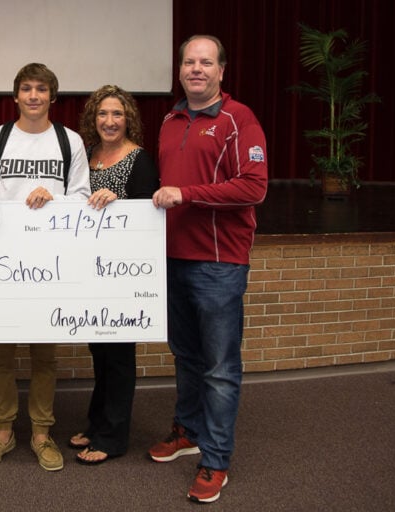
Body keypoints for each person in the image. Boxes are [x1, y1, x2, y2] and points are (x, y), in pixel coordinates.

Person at [150, 35, 268, 503]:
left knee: (220, 368)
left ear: (222, 71)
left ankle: (215, 460)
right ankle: (189, 432)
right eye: (189, 62)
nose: (196, 69)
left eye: (206, 62)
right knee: (186, 355)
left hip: (218, 263)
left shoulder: (239, 120)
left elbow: (254, 187)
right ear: (179, 69)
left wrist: (189, 193)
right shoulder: (169, 119)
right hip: (173, 259)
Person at [0, 63, 91, 472]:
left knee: (44, 356)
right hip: (1, 261)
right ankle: (2, 432)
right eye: (27, 88)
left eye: (42, 89)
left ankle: (41, 433)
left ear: (53, 97)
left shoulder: (69, 140)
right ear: (16, 95)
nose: (34, 95)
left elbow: (83, 197)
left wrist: (52, 197)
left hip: (50, 261)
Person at [68, 85, 159, 465]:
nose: (109, 121)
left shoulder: (139, 158)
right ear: (93, 118)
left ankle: (113, 436)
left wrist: (119, 202)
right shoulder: (86, 155)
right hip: (89, 271)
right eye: (102, 114)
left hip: (123, 273)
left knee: (119, 355)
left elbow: (148, 215)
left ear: (128, 119)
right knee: (100, 352)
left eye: (117, 114)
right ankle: (96, 421)